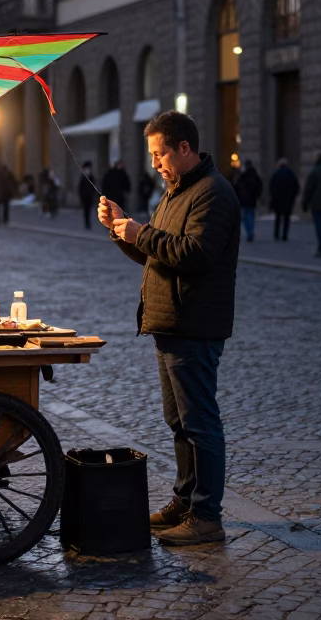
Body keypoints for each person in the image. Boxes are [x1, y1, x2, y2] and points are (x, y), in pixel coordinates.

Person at [99, 111, 239, 547]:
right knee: (178, 421)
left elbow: (195, 254)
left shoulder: (213, 193)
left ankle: (207, 515)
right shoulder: (175, 192)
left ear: (184, 148)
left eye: (160, 154)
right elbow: (157, 254)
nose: (156, 163)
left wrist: (142, 233)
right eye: (152, 156)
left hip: (194, 324)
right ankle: (184, 502)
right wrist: (122, 231)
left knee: (199, 422)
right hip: (169, 323)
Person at [268, 158, 299, 241]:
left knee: (278, 217)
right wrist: (293, 196)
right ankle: (285, 235)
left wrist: (273, 196)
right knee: (286, 218)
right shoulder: (291, 174)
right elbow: (296, 187)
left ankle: (276, 234)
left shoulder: (276, 174)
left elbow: (271, 187)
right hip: (288, 199)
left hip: (278, 199)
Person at [233, 160, 263, 242]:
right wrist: (257, 196)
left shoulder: (243, 176)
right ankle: (250, 232)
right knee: (250, 216)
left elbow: (236, 187)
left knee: (244, 217)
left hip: (243, 200)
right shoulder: (254, 175)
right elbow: (259, 187)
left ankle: (249, 232)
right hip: (251, 200)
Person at [78, 162, 97, 230]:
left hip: (90, 196)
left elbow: (94, 186)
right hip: (84, 196)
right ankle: (87, 223)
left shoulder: (91, 177)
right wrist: (81, 195)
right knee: (86, 210)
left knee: (88, 210)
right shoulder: (83, 177)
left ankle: (88, 222)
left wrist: (93, 193)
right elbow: (80, 187)